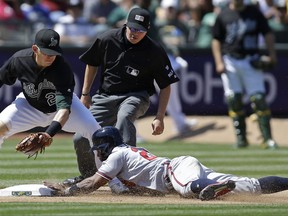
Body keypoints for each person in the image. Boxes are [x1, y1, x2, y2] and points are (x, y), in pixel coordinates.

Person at [63, 7, 179, 186]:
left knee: (124, 118)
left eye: (140, 30)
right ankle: (88, 176)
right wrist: (85, 94)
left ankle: (129, 178)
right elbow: (92, 63)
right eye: (132, 28)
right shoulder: (107, 38)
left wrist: (160, 117)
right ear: (126, 24)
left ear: (147, 30)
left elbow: (165, 86)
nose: (135, 33)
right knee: (80, 138)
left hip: (136, 96)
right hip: (105, 96)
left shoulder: (154, 50)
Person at [44, 126, 288, 201]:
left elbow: (95, 182)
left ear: (107, 144)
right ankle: (222, 185)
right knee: (253, 186)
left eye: (99, 148)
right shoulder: (125, 153)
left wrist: (68, 191)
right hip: (180, 168)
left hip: (176, 172)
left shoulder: (117, 154)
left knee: (188, 190)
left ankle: (214, 187)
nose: (98, 152)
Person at [0, 28, 101, 178]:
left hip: (60, 110)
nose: (51, 57)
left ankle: (109, 178)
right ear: (35, 49)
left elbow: (64, 110)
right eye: (47, 52)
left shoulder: (62, 68)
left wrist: (48, 133)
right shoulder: (19, 60)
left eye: (54, 53)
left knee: (98, 133)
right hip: (29, 106)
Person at [211, 0, 278, 149]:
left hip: (251, 59)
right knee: (234, 99)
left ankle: (268, 139)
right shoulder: (223, 14)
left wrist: (272, 54)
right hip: (230, 60)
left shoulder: (254, 12)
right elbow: (216, 39)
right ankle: (241, 138)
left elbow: (267, 33)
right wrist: (219, 62)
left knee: (259, 99)